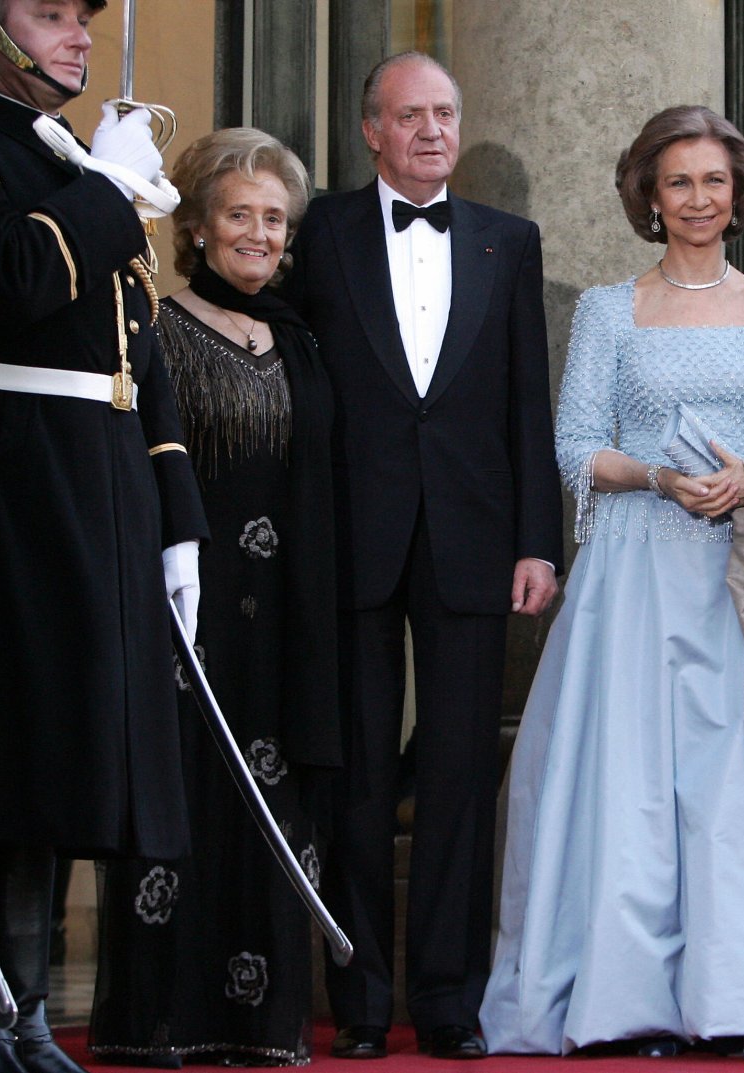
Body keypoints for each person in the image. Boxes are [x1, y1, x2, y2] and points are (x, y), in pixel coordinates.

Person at [479, 104, 744, 1057]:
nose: (699, 198)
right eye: (679, 182)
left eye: (714, 180)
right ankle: (630, 1000)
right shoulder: (606, 309)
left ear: (738, 192)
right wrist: (660, 478)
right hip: (635, 573)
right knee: (630, 786)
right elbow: (576, 445)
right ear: (649, 196)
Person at [284, 51, 563, 1061]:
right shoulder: (317, 233)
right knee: (353, 772)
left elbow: (527, 402)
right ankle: (358, 995)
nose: (433, 131)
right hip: (347, 539)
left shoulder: (507, 242)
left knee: (456, 774)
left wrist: (540, 539)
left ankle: (449, 996)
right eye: (411, 116)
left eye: (445, 113)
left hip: (474, 538)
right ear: (371, 130)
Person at [0, 2, 208, 1073]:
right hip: (13, 480)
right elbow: (8, 284)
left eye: (83, 17)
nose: (76, 35)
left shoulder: (64, 153)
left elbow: (140, 349)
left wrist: (181, 523)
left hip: (99, 485)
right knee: (8, 762)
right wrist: (110, 191)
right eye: (48, 13)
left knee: (60, 763)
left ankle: (24, 1012)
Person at [88, 128, 340, 1067]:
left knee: (272, 798)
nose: (260, 233)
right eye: (240, 214)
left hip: (286, 618)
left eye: (275, 218)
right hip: (188, 608)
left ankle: (258, 1023)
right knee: (183, 794)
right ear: (195, 224)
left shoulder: (302, 336)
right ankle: (159, 1019)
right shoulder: (155, 324)